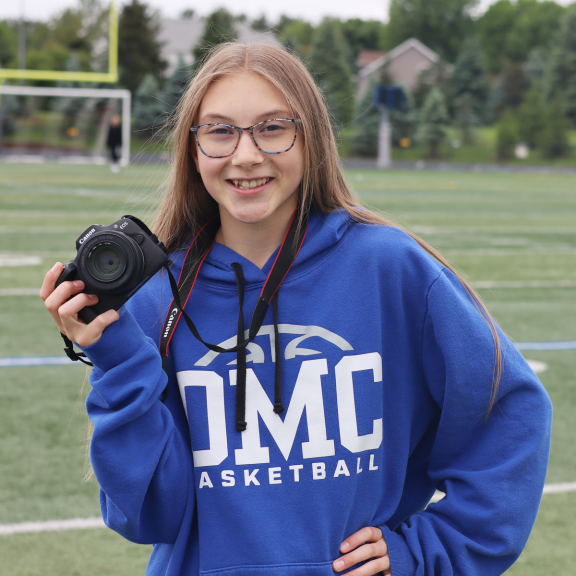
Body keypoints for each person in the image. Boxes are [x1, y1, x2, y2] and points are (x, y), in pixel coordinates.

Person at [40, 42, 552, 576]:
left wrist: (427, 552)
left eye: (272, 128)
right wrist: (117, 355)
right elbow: (151, 515)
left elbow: (510, 415)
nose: (245, 155)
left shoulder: (389, 268)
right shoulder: (157, 294)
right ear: (192, 149)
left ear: (311, 139)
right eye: (220, 131)